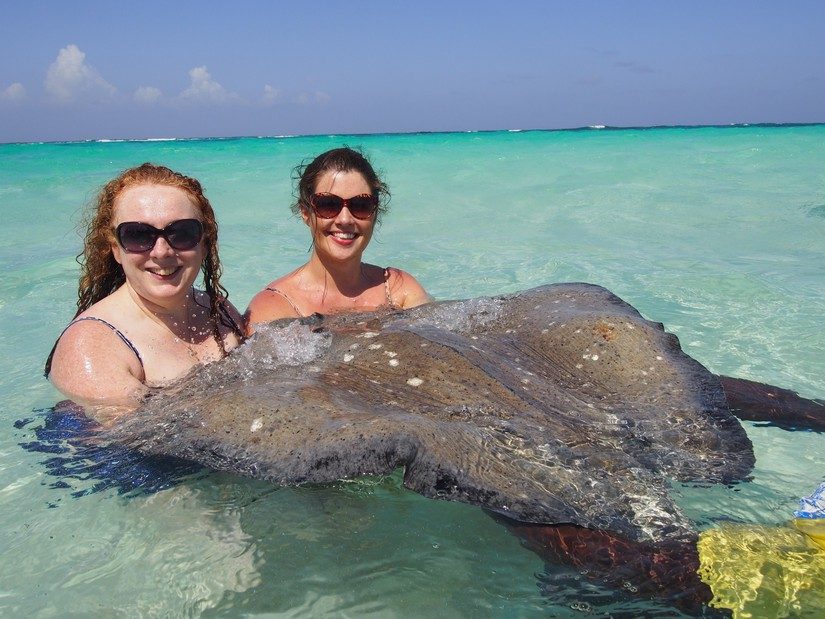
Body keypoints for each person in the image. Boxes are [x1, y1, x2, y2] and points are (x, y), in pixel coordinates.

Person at [45, 163, 245, 414]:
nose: (162, 251)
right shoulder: (91, 346)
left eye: (181, 233)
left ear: (204, 243)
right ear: (116, 249)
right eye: (139, 235)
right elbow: (142, 443)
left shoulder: (219, 311)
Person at [246, 147, 431, 329]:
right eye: (328, 204)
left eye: (361, 205)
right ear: (305, 212)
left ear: (375, 213)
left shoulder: (399, 290)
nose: (345, 219)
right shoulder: (274, 307)